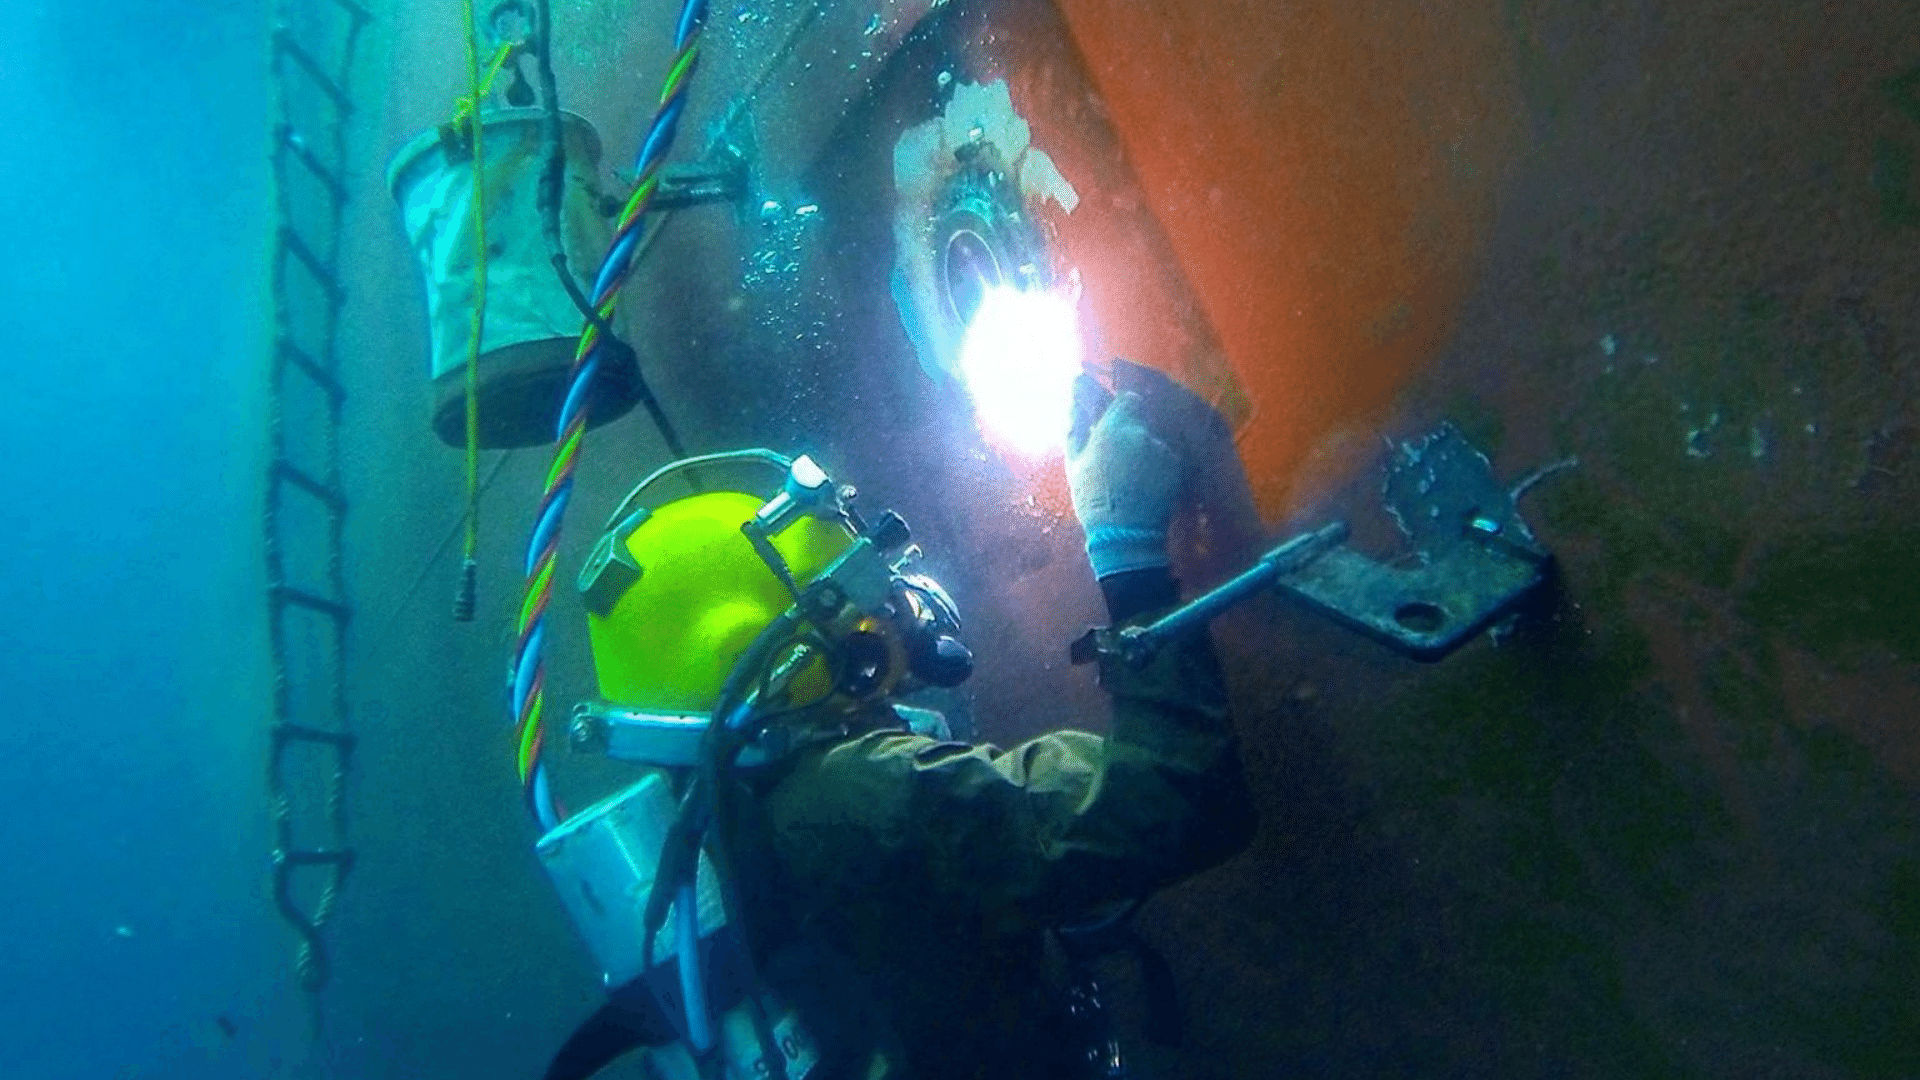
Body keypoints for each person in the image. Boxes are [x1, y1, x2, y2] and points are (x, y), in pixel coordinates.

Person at [545, 378, 1258, 1080]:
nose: (889, 610)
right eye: (849, 597)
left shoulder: (728, 809)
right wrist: (1125, 549)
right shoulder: (862, 797)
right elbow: (1177, 798)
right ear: (775, 653)